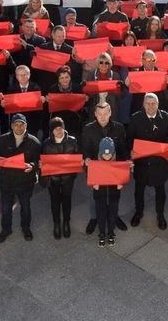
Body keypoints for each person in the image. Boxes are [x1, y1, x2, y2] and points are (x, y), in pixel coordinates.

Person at [128, 92, 168, 229]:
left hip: (159, 163)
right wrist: (130, 151)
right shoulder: (135, 118)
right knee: (139, 190)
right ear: (143, 104)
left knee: (160, 191)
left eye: (153, 103)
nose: (150, 106)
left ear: (158, 104)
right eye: (147, 104)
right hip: (141, 163)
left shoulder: (166, 117)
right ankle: (138, 213)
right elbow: (129, 139)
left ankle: (160, 215)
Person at [81, 102, 128, 235]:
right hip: (96, 170)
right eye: (99, 114)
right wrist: (86, 159)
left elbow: (123, 148)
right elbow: (85, 148)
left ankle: (114, 216)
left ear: (110, 113)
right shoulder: (88, 129)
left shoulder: (119, 128)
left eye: (105, 113)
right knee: (94, 196)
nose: (102, 117)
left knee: (115, 195)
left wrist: (127, 161)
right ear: (95, 114)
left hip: (114, 170)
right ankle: (94, 218)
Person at [0, 113, 41, 242]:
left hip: (25, 182)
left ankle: (26, 228)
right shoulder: (3, 140)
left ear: (26, 125)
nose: (19, 127)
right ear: (12, 125)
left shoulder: (34, 142)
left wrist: (32, 165)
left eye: (21, 124)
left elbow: (39, 161)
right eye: (16, 124)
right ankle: (6, 229)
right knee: (5, 208)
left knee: (26, 207)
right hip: (6, 182)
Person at [41, 116, 81, 239]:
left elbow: (78, 156)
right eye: (55, 129)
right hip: (53, 179)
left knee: (67, 200)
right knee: (55, 201)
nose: (58, 131)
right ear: (51, 131)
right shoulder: (46, 143)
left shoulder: (73, 141)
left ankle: (66, 222)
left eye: (60, 128)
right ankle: (57, 223)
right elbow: (42, 159)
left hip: (68, 178)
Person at [92, 136, 123, 247]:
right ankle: (101, 233)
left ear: (113, 153)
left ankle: (110, 232)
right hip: (100, 195)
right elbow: (91, 177)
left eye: (109, 153)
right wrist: (93, 184)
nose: (107, 156)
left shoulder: (118, 165)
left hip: (114, 195)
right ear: (100, 153)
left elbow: (121, 178)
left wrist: (121, 184)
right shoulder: (95, 164)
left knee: (112, 215)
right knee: (101, 215)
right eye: (104, 154)